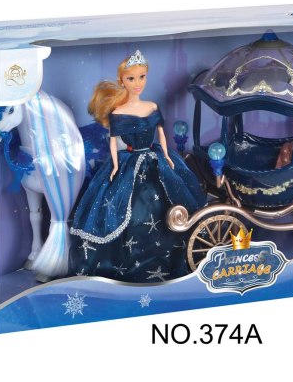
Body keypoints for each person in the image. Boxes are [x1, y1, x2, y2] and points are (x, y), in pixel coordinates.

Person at [70, 50, 205, 282]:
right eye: (131, 78)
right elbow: (113, 142)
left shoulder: (152, 106)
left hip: (155, 157)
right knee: (127, 207)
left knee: (169, 201)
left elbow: (161, 134)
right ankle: (129, 260)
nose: (138, 83)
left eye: (142, 77)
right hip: (129, 160)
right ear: (121, 80)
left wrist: (167, 156)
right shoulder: (118, 112)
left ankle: (172, 256)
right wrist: (115, 166)